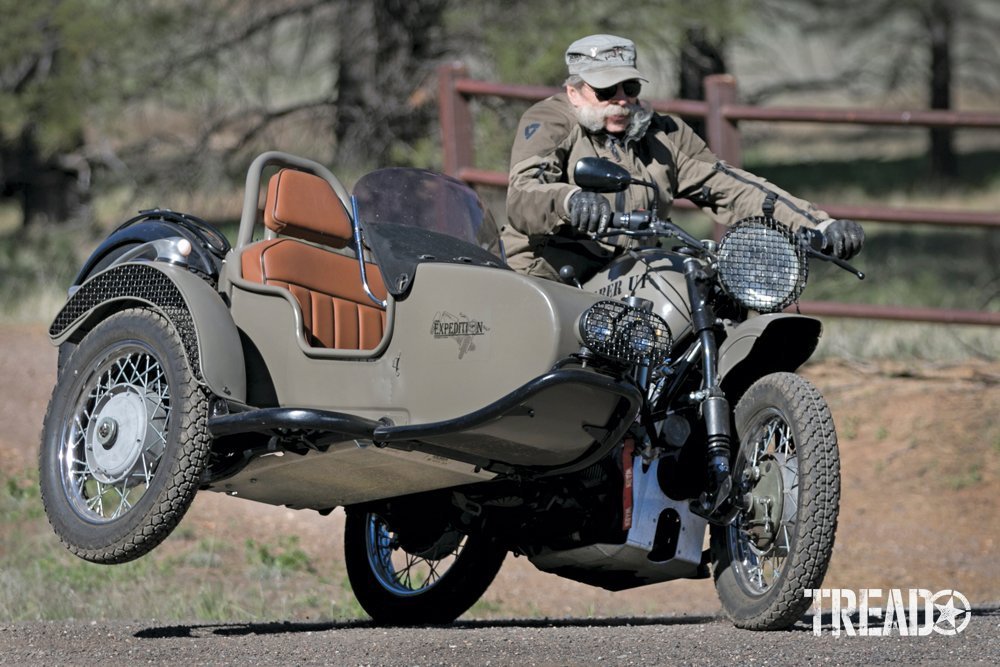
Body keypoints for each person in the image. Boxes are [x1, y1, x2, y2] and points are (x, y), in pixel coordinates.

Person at [504, 33, 864, 282]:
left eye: (629, 87)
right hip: (549, 276)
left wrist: (817, 225)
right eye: (604, 90)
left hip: (626, 273)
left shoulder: (661, 133)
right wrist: (570, 199)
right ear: (574, 92)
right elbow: (523, 194)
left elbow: (731, 186)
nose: (620, 98)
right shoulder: (551, 121)